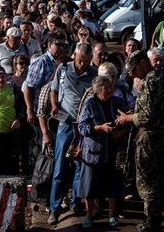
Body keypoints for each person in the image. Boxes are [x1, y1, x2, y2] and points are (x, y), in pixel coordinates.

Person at [114, 50, 164, 232]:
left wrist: (128, 119)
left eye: (134, 70)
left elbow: (148, 116)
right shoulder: (161, 78)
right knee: (155, 177)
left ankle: (151, 223)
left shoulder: (151, 82)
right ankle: (153, 221)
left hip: (150, 137)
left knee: (148, 181)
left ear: (142, 63)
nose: (133, 75)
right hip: (159, 134)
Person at [47, 43, 97, 225]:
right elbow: (54, 90)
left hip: (82, 125)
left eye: (85, 61)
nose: (82, 64)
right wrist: (54, 106)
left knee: (80, 166)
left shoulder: (94, 74)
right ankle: (54, 208)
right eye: (79, 60)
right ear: (74, 55)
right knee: (60, 167)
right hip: (65, 123)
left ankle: (76, 202)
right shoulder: (63, 69)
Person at [78, 75, 128, 229]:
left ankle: (112, 216)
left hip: (113, 151)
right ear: (98, 90)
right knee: (90, 186)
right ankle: (89, 215)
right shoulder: (90, 103)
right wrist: (100, 128)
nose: (110, 90)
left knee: (113, 185)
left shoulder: (117, 102)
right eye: (106, 87)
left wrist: (123, 131)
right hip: (94, 151)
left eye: (111, 86)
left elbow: (127, 118)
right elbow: (82, 127)